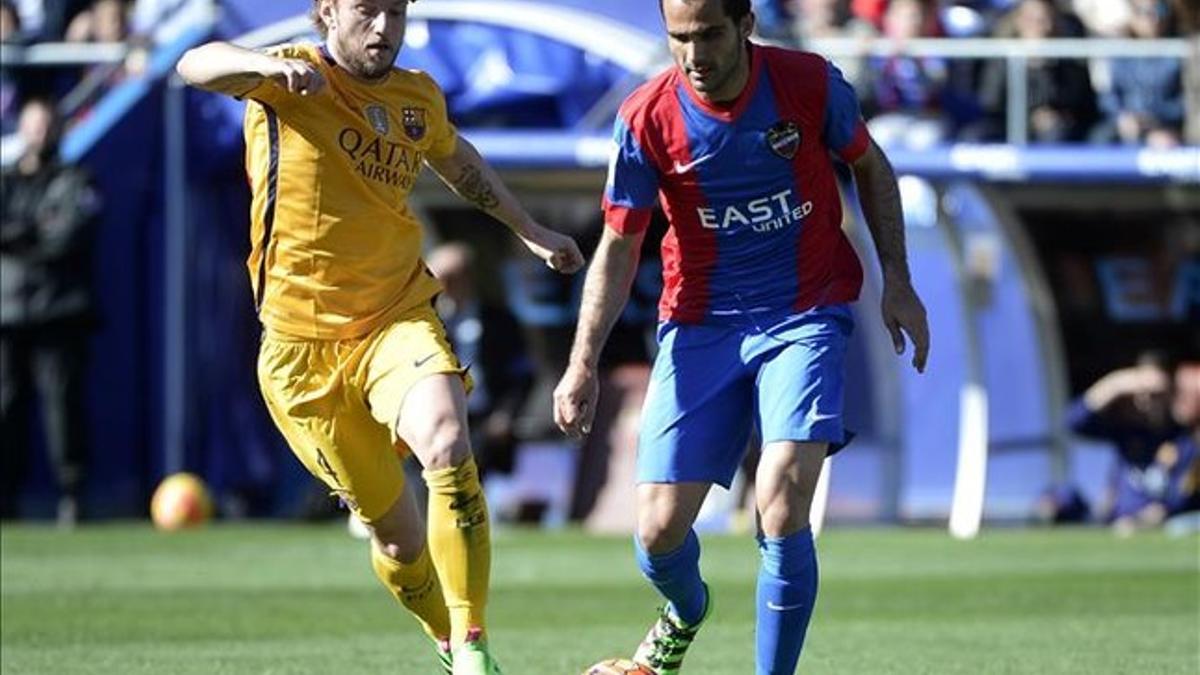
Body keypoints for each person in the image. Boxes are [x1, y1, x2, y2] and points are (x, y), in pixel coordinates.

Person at [175, 0, 584, 672]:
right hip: (300, 356)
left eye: (395, 11)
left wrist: (532, 232)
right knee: (397, 541)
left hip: (396, 314)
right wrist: (261, 63)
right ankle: (448, 642)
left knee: (449, 444)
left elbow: (458, 162)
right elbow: (195, 65)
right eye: (367, 10)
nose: (383, 26)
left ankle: (474, 643)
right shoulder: (287, 76)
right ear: (328, 12)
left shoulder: (416, 96)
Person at [552, 1, 929, 673]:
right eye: (678, 39)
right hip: (699, 323)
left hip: (805, 312)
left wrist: (897, 278)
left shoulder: (809, 84)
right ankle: (686, 611)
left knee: (782, 496)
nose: (694, 54)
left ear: (745, 24)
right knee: (658, 533)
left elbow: (872, 167)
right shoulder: (646, 117)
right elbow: (618, 246)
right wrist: (582, 362)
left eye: (709, 35)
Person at [0, 97, 101, 527]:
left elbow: (66, 237)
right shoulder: (6, 181)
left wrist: (17, 236)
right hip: (8, 314)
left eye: (46, 124)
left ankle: (71, 496)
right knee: (6, 408)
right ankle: (7, 498)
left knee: (62, 410)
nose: (39, 132)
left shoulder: (76, 179)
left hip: (59, 313)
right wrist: (32, 230)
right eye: (33, 124)